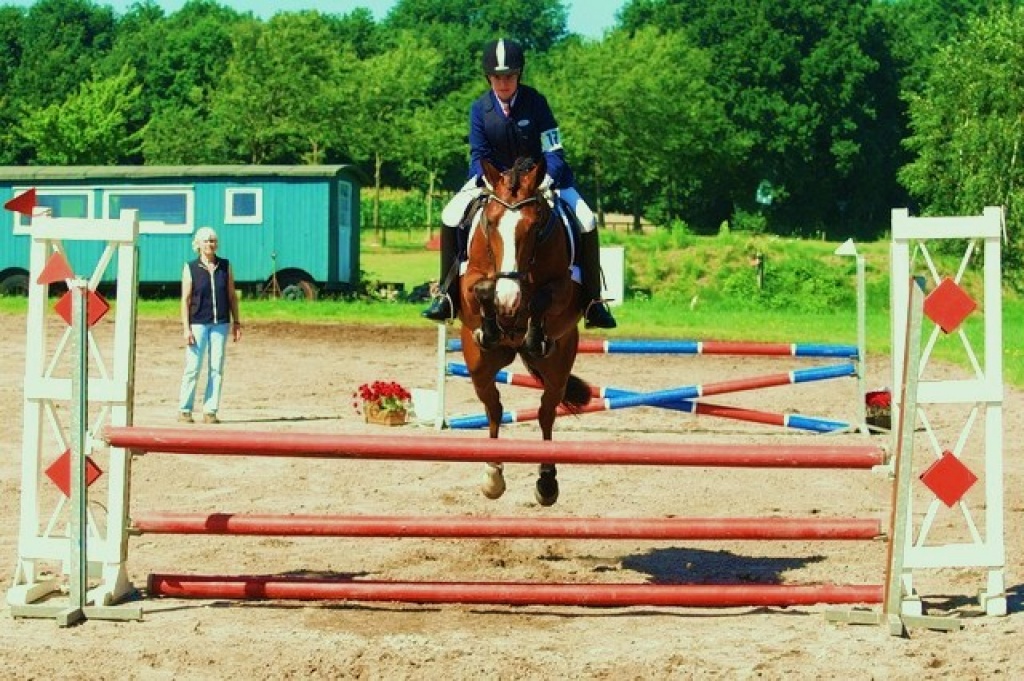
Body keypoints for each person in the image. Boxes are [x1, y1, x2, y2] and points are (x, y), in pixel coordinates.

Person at [421, 37, 616, 329]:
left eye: (509, 76)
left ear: (519, 75)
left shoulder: (536, 103)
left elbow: (554, 150)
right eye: (497, 77)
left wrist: (545, 180)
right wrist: (491, 181)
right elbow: (479, 154)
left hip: (541, 181)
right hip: (494, 182)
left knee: (587, 220)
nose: (503, 83)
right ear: (489, 77)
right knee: (450, 215)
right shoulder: (479, 109)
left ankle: (593, 302)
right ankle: (447, 296)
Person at [177, 226, 241, 424]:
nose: (210, 244)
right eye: (206, 240)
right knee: (193, 367)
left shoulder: (225, 266)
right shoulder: (191, 267)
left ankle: (210, 409)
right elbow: (185, 299)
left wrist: (237, 321)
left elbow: (231, 295)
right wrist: (186, 328)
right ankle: (185, 409)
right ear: (198, 244)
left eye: (212, 240)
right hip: (198, 323)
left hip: (220, 323)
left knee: (216, 367)